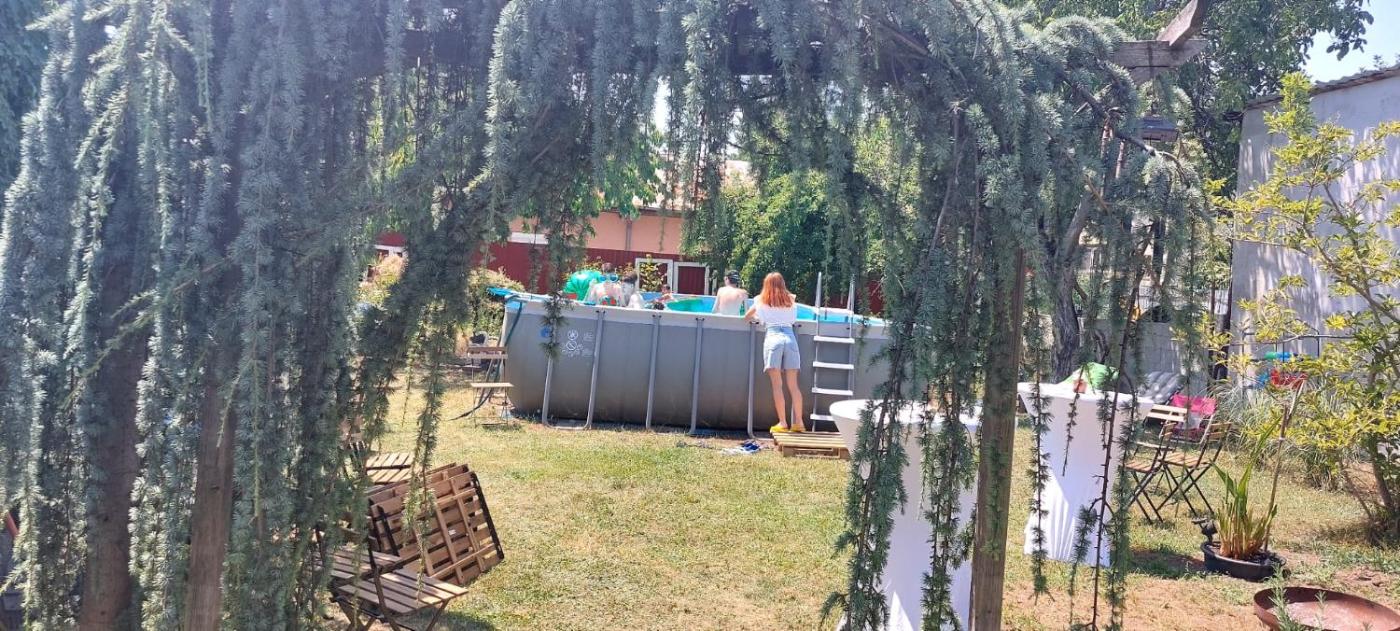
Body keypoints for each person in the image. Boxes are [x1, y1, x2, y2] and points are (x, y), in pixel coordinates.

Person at [745, 272, 805, 433]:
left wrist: (759, 317)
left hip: (773, 338)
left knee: (777, 385)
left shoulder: (760, 300)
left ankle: (783, 423)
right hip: (790, 338)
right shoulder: (791, 299)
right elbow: (793, 319)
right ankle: (799, 423)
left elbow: (746, 316)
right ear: (783, 283)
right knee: (794, 386)